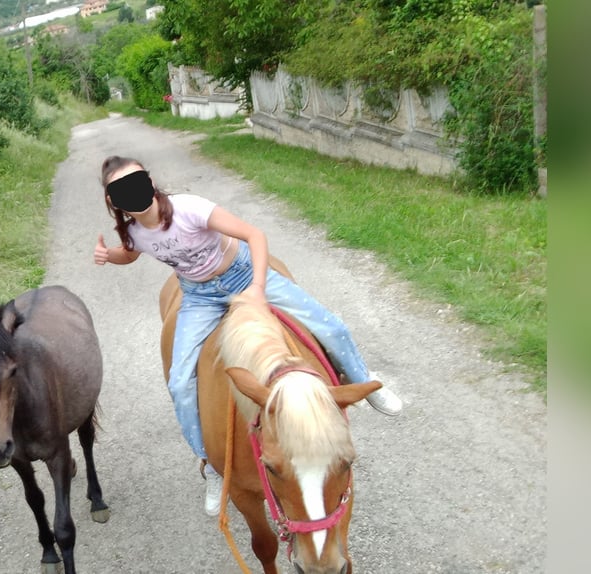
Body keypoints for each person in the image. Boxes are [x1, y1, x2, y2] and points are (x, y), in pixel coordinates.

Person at [93, 155, 402, 516]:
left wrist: (256, 287)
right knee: (179, 383)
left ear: (149, 180)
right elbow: (130, 255)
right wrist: (108, 255)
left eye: (137, 180)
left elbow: (254, 235)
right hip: (198, 295)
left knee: (330, 325)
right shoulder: (134, 232)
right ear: (114, 200)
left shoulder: (189, 209)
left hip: (241, 274)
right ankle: (210, 464)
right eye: (122, 188)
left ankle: (364, 381)